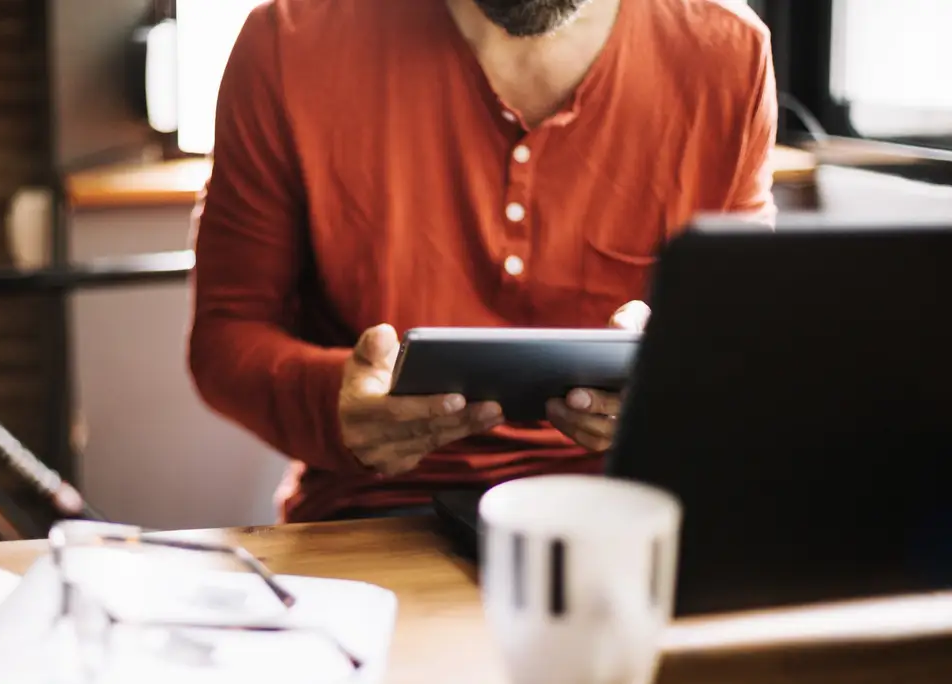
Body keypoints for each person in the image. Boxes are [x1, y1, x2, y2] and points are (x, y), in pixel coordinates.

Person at [188, 0, 778, 523]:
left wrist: (677, 392)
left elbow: (746, 355)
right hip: (378, 508)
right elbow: (226, 338)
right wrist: (334, 406)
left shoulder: (729, 54)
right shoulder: (290, 42)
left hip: (632, 511)